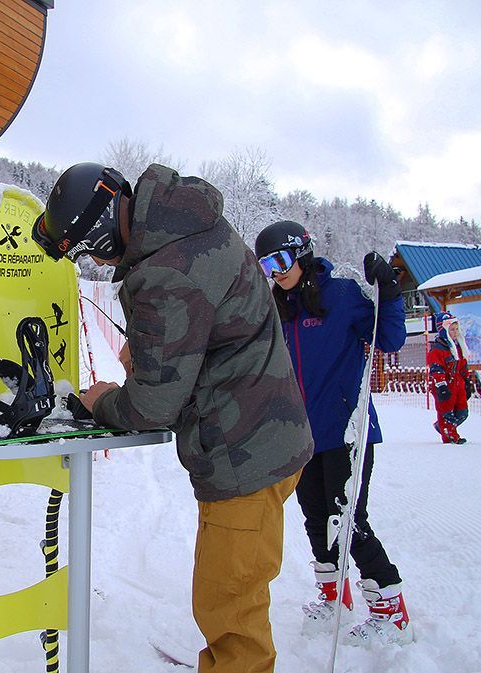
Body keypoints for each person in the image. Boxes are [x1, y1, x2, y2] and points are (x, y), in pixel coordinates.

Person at [32, 162, 313, 673]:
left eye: (90, 249)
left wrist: (101, 402)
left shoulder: (164, 271)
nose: (97, 260)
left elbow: (151, 407)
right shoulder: (187, 228)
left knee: (230, 613)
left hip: (244, 456)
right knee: (230, 599)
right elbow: (205, 340)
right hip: (264, 440)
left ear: (101, 231)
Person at [253, 220, 412, 646]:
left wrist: (390, 292)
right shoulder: (279, 309)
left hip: (347, 431)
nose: (276, 271)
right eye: (267, 264)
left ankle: (391, 610)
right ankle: (333, 597)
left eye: (281, 260)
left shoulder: (341, 296)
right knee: (315, 519)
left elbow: (391, 338)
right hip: (303, 438)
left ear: (302, 253)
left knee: (347, 522)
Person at [427, 311, 471, 444]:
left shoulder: (457, 348)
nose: (455, 332)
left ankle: (443, 426)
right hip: (445, 385)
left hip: (459, 384)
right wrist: (441, 386)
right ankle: (450, 435)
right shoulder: (437, 350)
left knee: (463, 412)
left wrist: (467, 381)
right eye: (452, 329)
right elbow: (436, 369)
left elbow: (463, 365)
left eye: (457, 329)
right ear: (443, 330)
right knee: (446, 412)